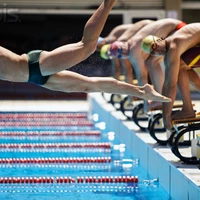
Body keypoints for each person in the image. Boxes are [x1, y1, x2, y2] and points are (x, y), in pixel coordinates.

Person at [0, 0, 171, 103]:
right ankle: (142, 91)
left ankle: (108, 3)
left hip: (34, 65)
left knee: (87, 46)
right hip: (35, 77)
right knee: (91, 85)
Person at [102, 18, 187, 109]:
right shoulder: (131, 43)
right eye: (119, 55)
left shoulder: (133, 50)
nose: (123, 53)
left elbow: (141, 76)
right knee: (151, 62)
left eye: (120, 50)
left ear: (123, 44)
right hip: (176, 28)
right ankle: (159, 97)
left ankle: (161, 99)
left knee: (156, 63)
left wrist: (145, 102)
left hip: (178, 29)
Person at [141, 23, 200, 131]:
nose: (156, 52)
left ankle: (188, 108)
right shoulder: (174, 44)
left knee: (180, 67)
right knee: (182, 66)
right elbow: (168, 84)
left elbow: (170, 86)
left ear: (160, 39)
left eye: (154, 47)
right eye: (152, 53)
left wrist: (166, 116)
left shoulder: (173, 46)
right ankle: (187, 108)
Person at [99, 20, 154, 84]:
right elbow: (117, 68)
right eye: (110, 57)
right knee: (150, 63)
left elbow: (126, 69)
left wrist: (127, 91)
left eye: (98, 48)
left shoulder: (117, 45)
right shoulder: (115, 46)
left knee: (150, 64)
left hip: (149, 27)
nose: (113, 57)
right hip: (148, 27)